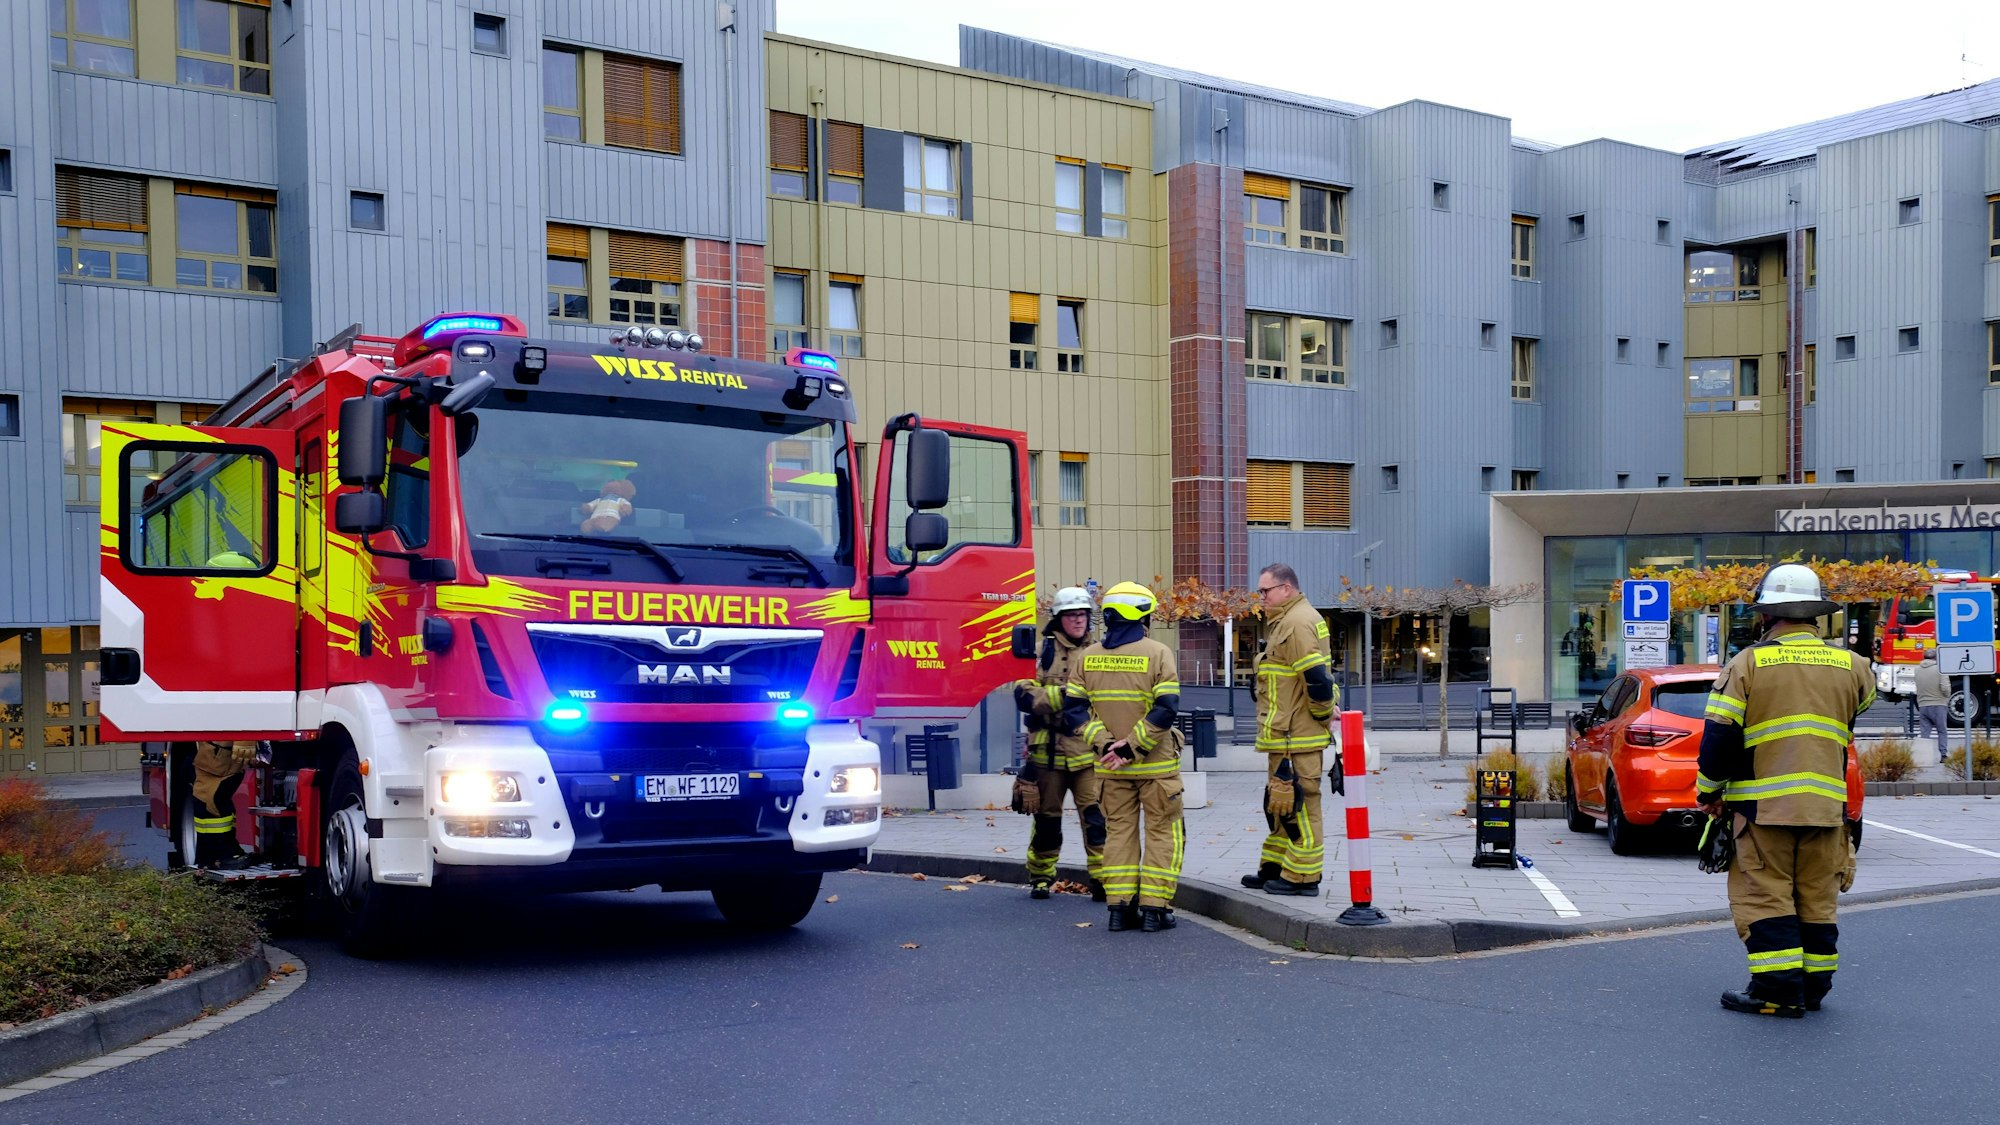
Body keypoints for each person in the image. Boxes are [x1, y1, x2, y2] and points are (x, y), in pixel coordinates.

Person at [1697, 563, 1873, 1018]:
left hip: (1763, 809)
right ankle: (1812, 989)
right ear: (1815, 615)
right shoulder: (1852, 665)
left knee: (1765, 897)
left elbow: (1719, 736)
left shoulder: (1747, 663)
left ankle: (1776, 993)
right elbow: (1857, 711)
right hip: (1827, 809)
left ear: (1765, 615)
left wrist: (1709, 791)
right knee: (1816, 899)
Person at [1062, 581, 1183, 932]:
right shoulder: (1158, 653)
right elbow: (1167, 708)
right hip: (1156, 767)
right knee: (1163, 834)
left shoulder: (1088, 657)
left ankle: (1119, 908)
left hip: (1110, 770)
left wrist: (1104, 745)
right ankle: (1154, 911)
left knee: (1118, 835)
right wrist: (1132, 746)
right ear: (1141, 614)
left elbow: (1073, 712)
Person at [1240, 564, 1337, 896]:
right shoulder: (1286, 621)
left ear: (1286, 589)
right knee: (1280, 803)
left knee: (1300, 804)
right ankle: (1276, 869)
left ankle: (1303, 878)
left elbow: (1317, 680)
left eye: (1265, 591)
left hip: (1298, 735)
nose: (1261, 598)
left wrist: (1323, 717)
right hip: (1284, 735)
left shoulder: (1296, 623)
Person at [1011, 586, 1105, 901]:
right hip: (1047, 754)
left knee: (1096, 819)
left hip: (1088, 754)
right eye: (1072, 615)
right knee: (1047, 821)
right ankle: (1040, 876)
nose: (1079, 621)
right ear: (1059, 618)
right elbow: (1023, 694)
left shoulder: (1100, 654)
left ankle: (1103, 879)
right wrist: (1064, 696)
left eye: (1083, 614)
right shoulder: (1040, 652)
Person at [191, 739, 259, 869]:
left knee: (212, 801)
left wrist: (245, 736)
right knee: (211, 801)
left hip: (219, 755)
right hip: (216, 755)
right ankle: (218, 856)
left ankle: (219, 855)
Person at [1915, 647, 1950, 763]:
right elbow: (1945, 688)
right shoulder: (1940, 670)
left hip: (1923, 705)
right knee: (1942, 731)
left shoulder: (1917, 670)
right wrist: (1946, 696)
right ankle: (1943, 755)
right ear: (1936, 658)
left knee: (1925, 732)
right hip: (1938, 704)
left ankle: (1924, 757)